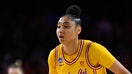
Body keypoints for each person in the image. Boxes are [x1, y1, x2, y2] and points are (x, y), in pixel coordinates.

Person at [48, 5, 131, 74]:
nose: (60, 30)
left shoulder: (94, 49)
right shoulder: (54, 55)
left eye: (66, 26)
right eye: (58, 26)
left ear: (78, 30)